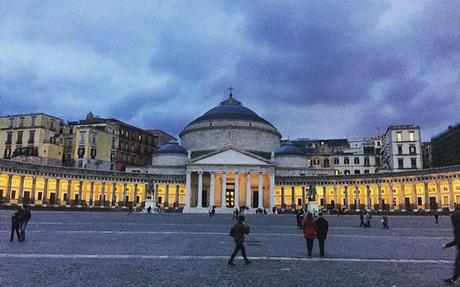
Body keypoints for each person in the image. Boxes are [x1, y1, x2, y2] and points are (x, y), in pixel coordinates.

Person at [443, 208, 460, 284]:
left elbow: (457, 240)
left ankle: (453, 279)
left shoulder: (457, 229)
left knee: (458, 264)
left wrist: (447, 245)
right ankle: (453, 279)